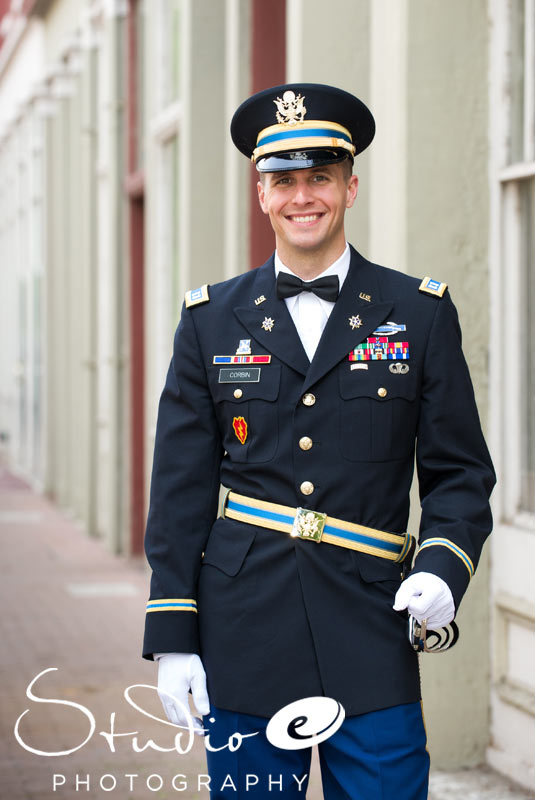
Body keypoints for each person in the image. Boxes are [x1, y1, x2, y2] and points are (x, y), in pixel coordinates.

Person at [142, 83, 495, 799]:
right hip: (243, 628)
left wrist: (442, 568)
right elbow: (179, 489)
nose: (303, 197)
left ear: (349, 186)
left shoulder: (416, 314)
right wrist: (173, 633)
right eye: (284, 181)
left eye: (320, 178)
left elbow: (459, 473)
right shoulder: (209, 322)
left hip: (371, 620)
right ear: (261, 193)